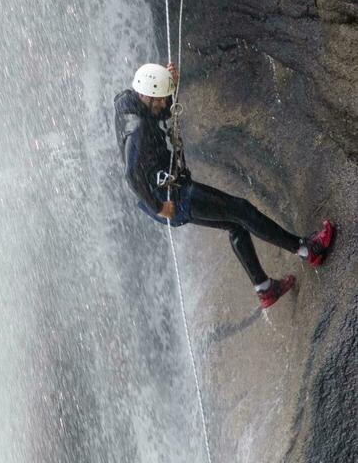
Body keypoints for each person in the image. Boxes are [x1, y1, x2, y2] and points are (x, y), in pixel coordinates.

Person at [114, 61, 335, 308]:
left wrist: (169, 84)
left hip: (167, 192)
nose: (166, 103)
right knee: (242, 210)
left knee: (235, 226)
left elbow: (161, 113)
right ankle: (309, 249)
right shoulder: (137, 128)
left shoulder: (132, 101)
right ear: (146, 95)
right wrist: (158, 206)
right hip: (172, 197)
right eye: (162, 99)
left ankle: (265, 289)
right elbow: (131, 175)